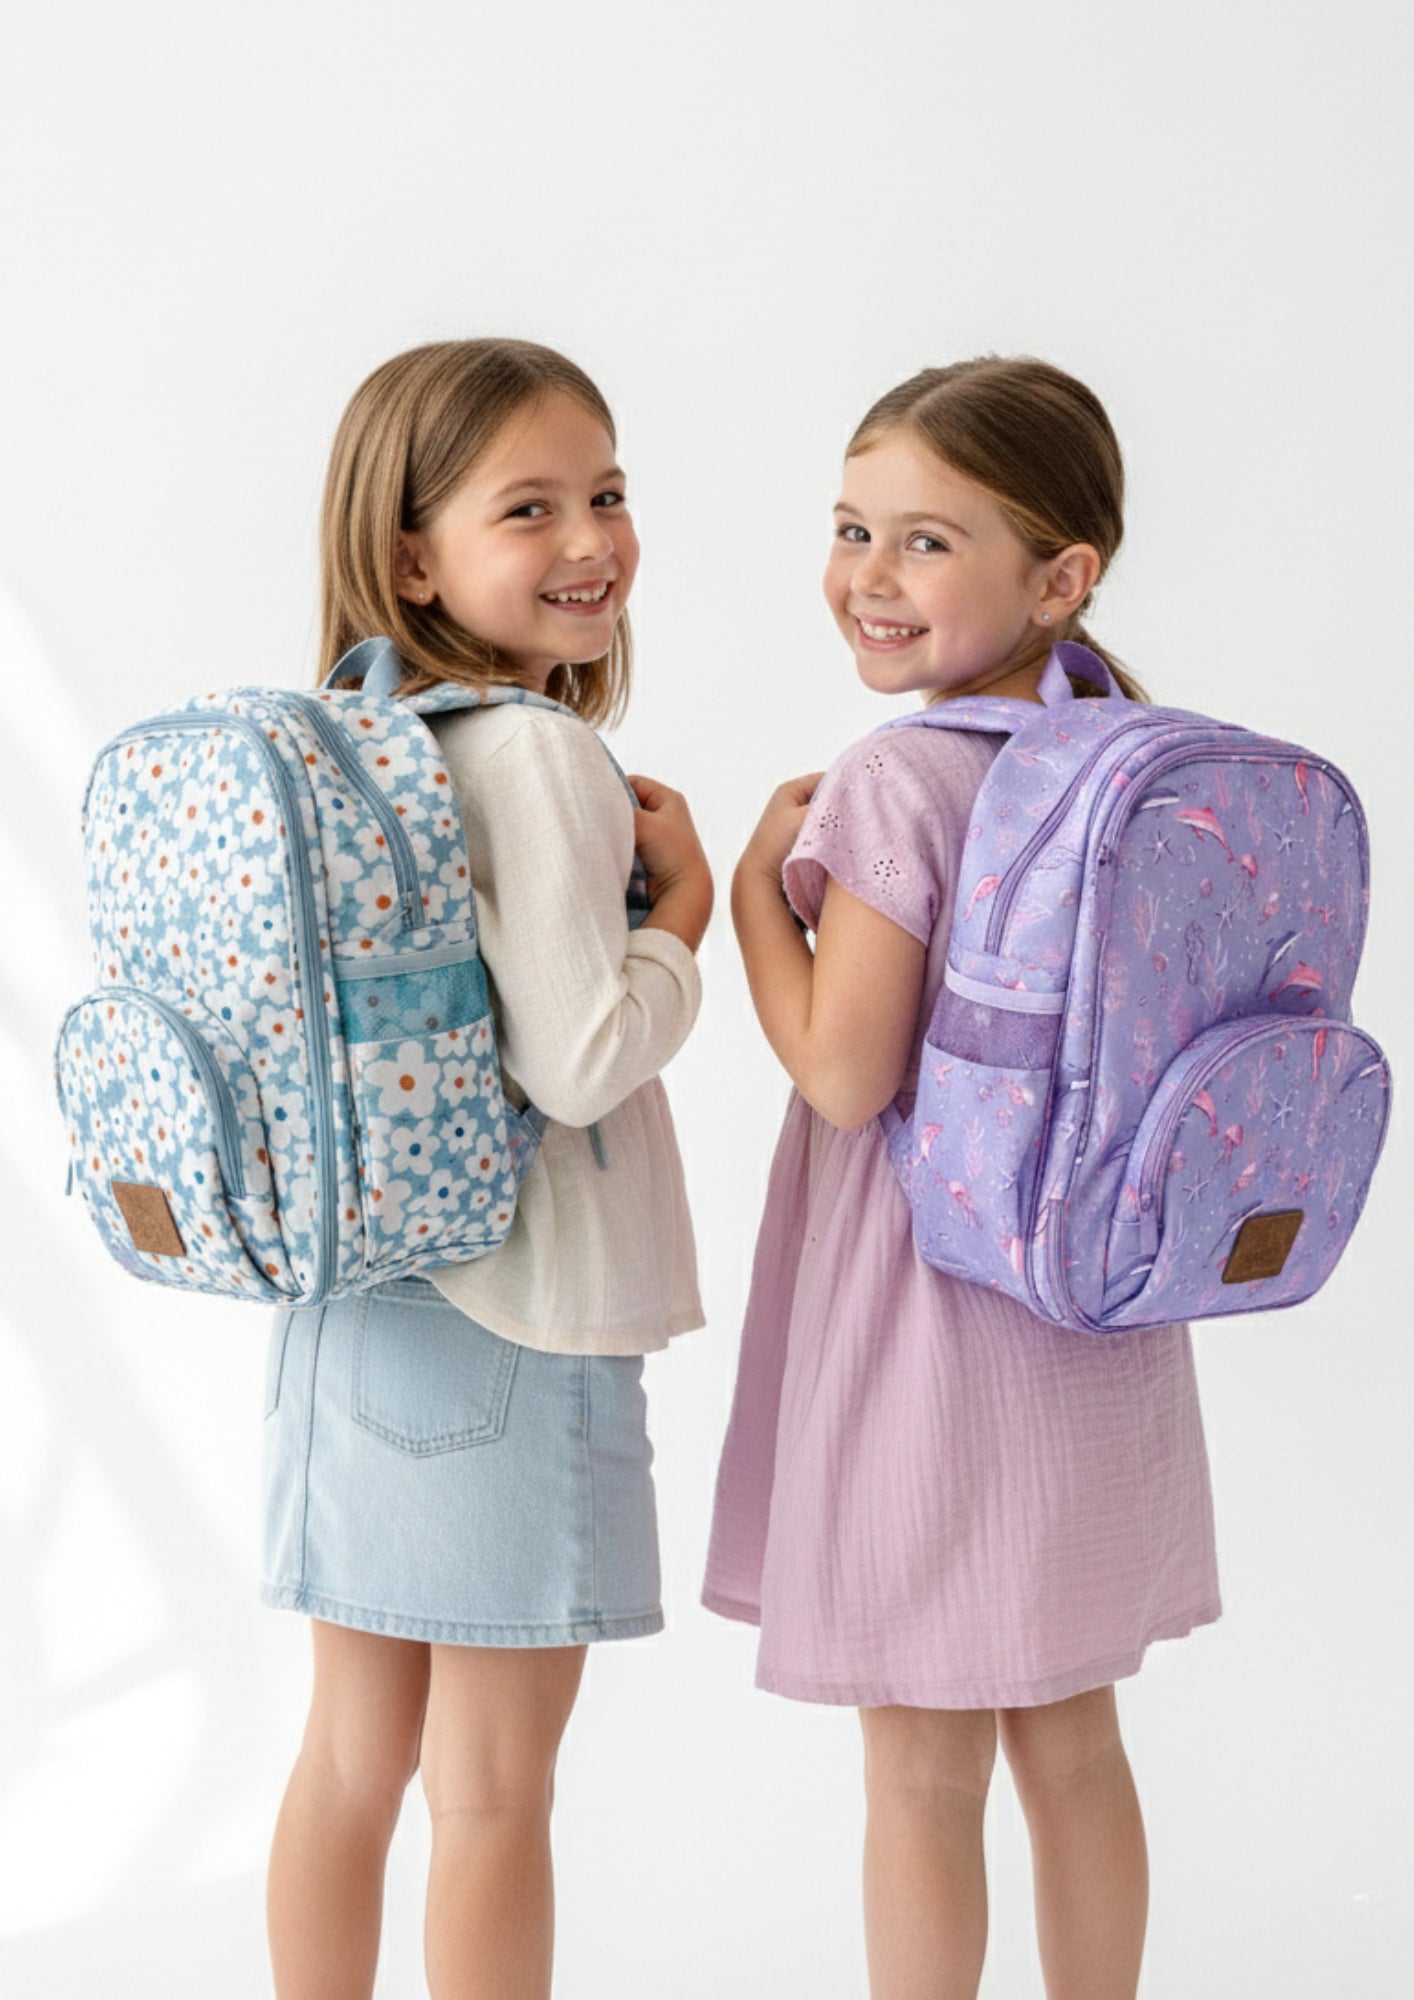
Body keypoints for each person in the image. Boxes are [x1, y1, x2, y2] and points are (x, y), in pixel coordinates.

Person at [702, 357, 1220, 2000]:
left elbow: (843, 1073)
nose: (868, 574)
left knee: (920, 1772)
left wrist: (752, 900)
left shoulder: (897, 781)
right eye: (852, 527)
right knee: (1074, 1740)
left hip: (929, 1318)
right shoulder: (1130, 761)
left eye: (925, 540)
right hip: (1091, 1317)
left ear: (1058, 578)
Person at [262, 338, 713, 2000]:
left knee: (346, 1763)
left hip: (352, 1302)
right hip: (516, 1327)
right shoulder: (528, 751)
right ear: (410, 559)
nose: (591, 539)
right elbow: (581, 1059)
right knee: (494, 1794)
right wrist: (681, 918)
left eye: (606, 492)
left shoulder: (351, 741)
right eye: (529, 508)